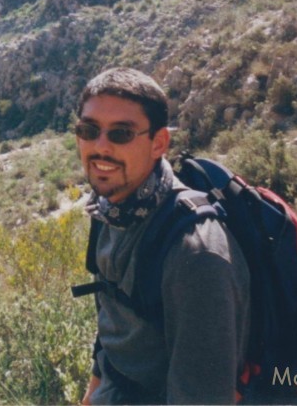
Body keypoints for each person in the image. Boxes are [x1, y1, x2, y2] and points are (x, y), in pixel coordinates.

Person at [76, 67, 251, 405]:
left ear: (159, 143)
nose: (100, 147)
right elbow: (112, 309)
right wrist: (95, 385)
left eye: (121, 133)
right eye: (89, 130)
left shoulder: (195, 254)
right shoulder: (108, 208)